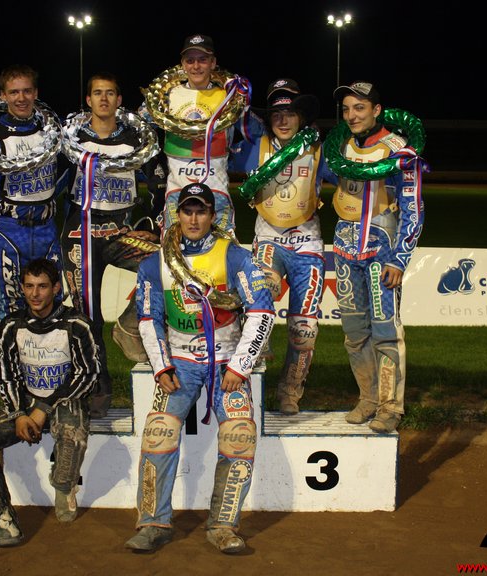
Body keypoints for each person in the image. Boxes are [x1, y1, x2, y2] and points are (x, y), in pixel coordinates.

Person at [124, 183, 275, 554]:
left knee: (240, 435)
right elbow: (148, 318)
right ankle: (153, 523)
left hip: (226, 361)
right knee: (158, 434)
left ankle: (223, 526)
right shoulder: (155, 263)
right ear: (177, 215)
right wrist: (161, 367)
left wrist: (240, 365)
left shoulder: (234, 256)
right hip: (179, 362)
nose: (194, 219)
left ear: (212, 215)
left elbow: (262, 311)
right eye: (187, 211)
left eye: (201, 211)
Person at [0, 258, 100, 549]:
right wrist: (20, 414)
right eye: (29, 286)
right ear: (21, 288)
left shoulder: (77, 324)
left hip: (64, 403)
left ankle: (63, 482)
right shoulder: (11, 325)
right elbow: (5, 375)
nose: (35, 293)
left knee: (72, 421)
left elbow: (88, 376)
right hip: (25, 406)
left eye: (42, 286)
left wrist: (43, 409)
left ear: (56, 288)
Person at [58, 72, 166, 418]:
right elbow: (52, 181)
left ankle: (129, 325)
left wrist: (153, 225)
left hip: (120, 232)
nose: (103, 99)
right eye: (97, 93)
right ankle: (96, 386)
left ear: (119, 101)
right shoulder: (72, 140)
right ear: (88, 100)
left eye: (110, 93)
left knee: (168, 267)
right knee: (86, 317)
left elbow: (159, 182)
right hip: (79, 235)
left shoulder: (136, 139)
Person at [322, 81, 425, 433]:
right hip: (344, 250)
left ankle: (390, 407)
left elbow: (413, 209)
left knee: (385, 331)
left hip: (383, 253)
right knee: (353, 332)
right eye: (346, 109)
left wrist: (400, 259)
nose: (351, 115)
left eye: (359, 108)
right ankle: (368, 397)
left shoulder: (400, 151)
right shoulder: (339, 147)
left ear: (377, 110)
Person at [230, 78, 324, 415]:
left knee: (304, 330)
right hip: (269, 241)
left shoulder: (318, 149)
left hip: (308, 245)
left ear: (302, 117)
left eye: (290, 113)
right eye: (276, 114)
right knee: (259, 305)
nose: (283, 120)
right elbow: (216, 159)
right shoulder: (255, 147)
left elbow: (352, 178)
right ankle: (249, 385)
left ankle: (290, 392)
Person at [0, 65, 61, 320]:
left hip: (47, 231)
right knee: (10, 310)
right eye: (14, 92)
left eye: (27, 91)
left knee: (54, 308)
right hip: (9, 232)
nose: (21, 98)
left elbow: (65, 180)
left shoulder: (52, 135)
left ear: (36, 93)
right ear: (3, 96)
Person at [151, 34, 256, 234]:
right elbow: (138, 126)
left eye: (202, 59)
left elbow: (255, 130)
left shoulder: (229, 96)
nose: (196, 66)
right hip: (177, 194)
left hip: (216, 194)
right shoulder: (167, 96)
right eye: (190, 60)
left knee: (221, 251)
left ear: (213, 63)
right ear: (183, 64)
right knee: (173, 252)